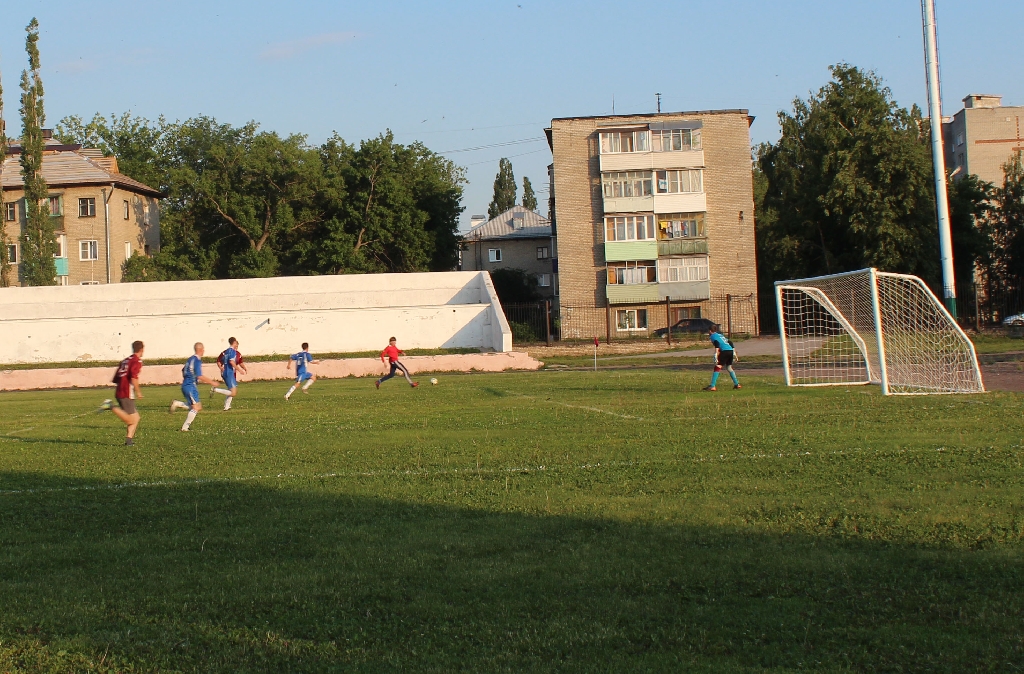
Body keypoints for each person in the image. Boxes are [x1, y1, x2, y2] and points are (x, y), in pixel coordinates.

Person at [99, 340, 144, 445]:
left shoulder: (125, 360)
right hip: (126, 392)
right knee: (131, 420)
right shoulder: (137, 361)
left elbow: (116, 378)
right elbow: (134, 377)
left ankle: (129, 440)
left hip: (120, 389)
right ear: (142, 349)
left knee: (136, 418)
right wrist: (138, 392)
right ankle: (110, 405)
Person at [169, 342, 220, 430]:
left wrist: (188, 378)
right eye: (203, 349)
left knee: (198, 406)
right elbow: (200, 376)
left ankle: (177, 403)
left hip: (187, 385)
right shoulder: (197, 360)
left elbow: (183, 370)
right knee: (196, 408)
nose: (204, 351)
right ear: (200, 350)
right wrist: (212, 382)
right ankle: (185, 428)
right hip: (190, 386)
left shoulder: (190, 359)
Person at [211, 337, 247, 410]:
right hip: (229, 372)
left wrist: (221, 368)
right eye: (236, 343)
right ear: (234, 343)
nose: (237, 345)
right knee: (233, 392)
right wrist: (239, 369)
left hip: (226, 372)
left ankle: (226, 407)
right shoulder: (232, 351)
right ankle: (215, 389)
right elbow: (231, 362)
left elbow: (220, 360)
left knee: (230, 390)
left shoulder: (226, 352)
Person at [704, 325, 741, 391]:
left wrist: (716, 354)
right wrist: (734, 352)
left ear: (710, 331)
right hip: (730, 350)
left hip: (725, 351)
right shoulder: (720, 335)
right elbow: (730, 342)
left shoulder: (712, 336)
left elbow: (717, 344)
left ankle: (712, 386)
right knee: (729, 367)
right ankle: (737, 384)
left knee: (717, 367)